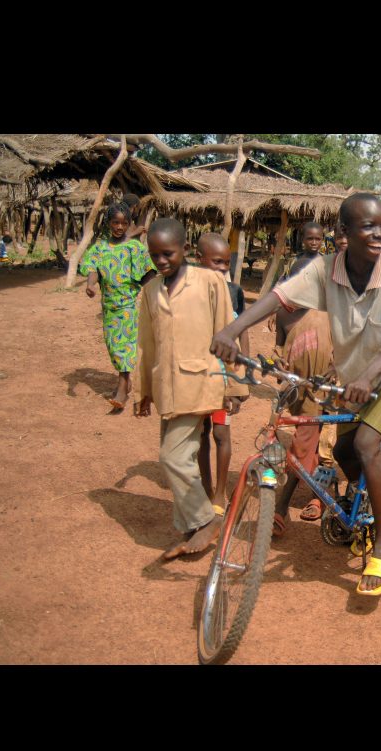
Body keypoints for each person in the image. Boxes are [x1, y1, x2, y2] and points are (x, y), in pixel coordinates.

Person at [211, 193, 381, 597]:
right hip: (356, 378)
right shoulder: (326, 270)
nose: (380, 234)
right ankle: (365, 511)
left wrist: (367, 375)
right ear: (343, 232)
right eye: (368, 226)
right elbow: (280, 297)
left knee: (365, 444)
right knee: (345, 453)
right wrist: (231, 330)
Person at [133, 218, 249, 559]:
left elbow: (227, 332)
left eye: (168, 253)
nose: (162, 261)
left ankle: (205, 520)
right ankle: (191, 527)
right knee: (179, 458)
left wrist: (235, 386)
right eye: (155, 256)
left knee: (171, 455)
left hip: (202, 382)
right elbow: (147, 345)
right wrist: (144, 390)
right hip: (168, 389)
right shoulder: (151, 291)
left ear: (185, 250)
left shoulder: (210, 282)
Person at [273, 241, 336, 528]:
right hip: (299, 388)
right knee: (301, 443)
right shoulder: (285, 313)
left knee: (325, 447)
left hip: (330, 389)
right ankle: (305, 499)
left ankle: (305, 501)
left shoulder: (332, 312)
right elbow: (280, 349)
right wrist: (280, 369)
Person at [80, 202, 157, 410]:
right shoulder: (100, 248)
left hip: (128, 307)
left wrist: (155, 300)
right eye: (115, 222)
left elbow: (148, 274)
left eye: (124, 223)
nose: (120, 227)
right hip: (108, 308)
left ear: (129, 224)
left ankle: (122, 388)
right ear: (108, 223)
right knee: (113, 346)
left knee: (125, 346)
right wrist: (90, 285)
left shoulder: (135, 248)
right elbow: (93, 268)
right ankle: (126, 380)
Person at [194, 233, 250, 515]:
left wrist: (243, 379)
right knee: (201, 434)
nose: (221, 268)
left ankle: (220, 493)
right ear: (197, 259)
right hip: (196, 378)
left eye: (225, 263)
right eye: (215, 262)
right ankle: (204, 488)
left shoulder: (234, 292)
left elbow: (242, 334)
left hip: (223, 378)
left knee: (221, 432)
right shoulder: (187, 293)